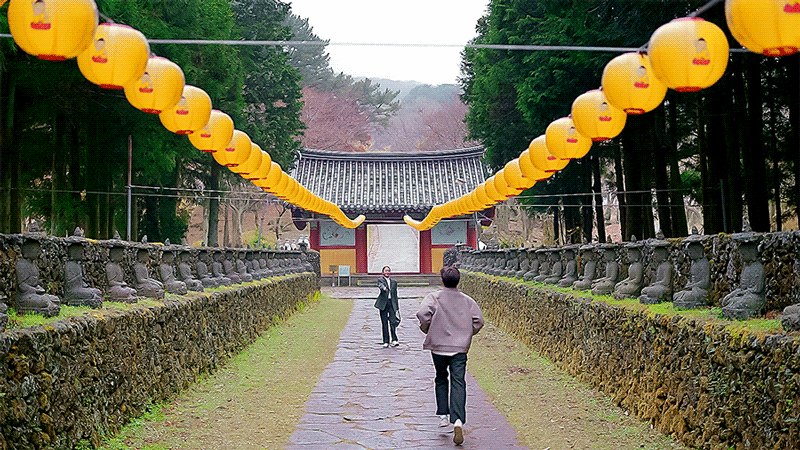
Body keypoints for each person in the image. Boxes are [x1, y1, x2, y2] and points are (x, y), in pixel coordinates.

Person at [416, 266, 484, 446]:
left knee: (440, 377)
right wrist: (467, 333)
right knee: (458, 381)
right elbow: (479, 320)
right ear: (458, 280)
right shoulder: (467, 300)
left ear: (442, 280)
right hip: (460, 348)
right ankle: (458, 420)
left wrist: (428, 329)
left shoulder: (434, 297)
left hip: (438, 347)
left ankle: (443, 415)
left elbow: (423, 314)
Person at [374, 265, 400, 348]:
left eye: (388, 271)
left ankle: (394, 339)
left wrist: (396, 307)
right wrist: (384, 288)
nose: (387, 272)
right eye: (386, 271)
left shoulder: (393, 282)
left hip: (391, 303)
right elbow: (380, 285)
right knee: (384, 322)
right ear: (383, 273)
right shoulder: (380, 280)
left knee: (393, 322)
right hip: (383, 304)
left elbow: (395, 295)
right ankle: (386, 341)